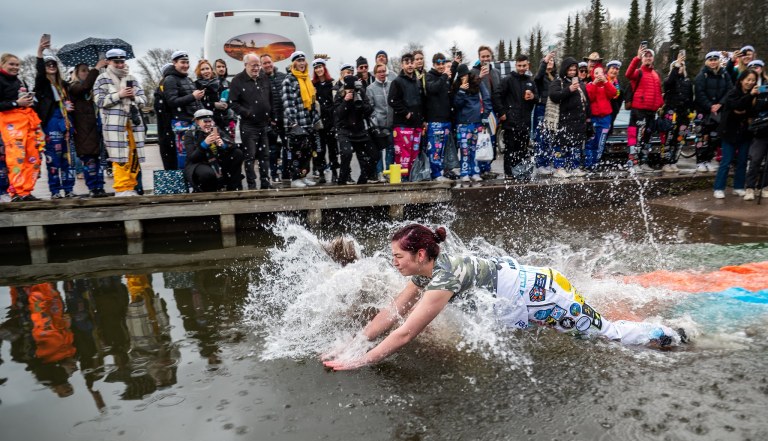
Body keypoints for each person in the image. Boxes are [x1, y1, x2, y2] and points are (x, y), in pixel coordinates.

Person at [321, 224, 686, 370]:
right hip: (533, 291)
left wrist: (361, 362)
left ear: (419, 255)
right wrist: (353, 343)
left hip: (548, 298)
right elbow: (391, 313)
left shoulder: (443, 278)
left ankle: (672, 336)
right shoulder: (427, 271)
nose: (392, 262)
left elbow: (405, 332)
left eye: (397, 256)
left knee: (605, 334)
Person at [93, 48, 147, 197]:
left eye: (122, 61)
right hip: (114, 126)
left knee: (133, 156)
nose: (120, 65)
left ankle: (132, 186)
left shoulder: (132, 78)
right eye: (116, 62)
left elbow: (144, 100)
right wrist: (119, 95)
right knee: (119, 157)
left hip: (132, 124)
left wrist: (134, 97)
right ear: (109, 62)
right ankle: (122, 188)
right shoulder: (102, 79)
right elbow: (99, 100)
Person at [34, 37, 75, 199]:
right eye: (48, 65)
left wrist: (69, 107)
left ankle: (69, 189)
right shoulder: (42, 84)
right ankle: (55, 191)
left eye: (53, 64)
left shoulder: (63, 85)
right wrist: (40, 52)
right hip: (50, 124)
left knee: (68, 159)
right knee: (53, 161)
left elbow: (77, 86)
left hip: (65, 124)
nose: (51, 67)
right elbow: (38, 72)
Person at [0, 52, 43, 202]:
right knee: (17, 157)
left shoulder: (20, 81)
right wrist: (16, 103)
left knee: (32, 158)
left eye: (17, 65)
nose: (15, 67)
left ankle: (26, 190)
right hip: (11, 124)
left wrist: (31, 101)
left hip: (27, 122)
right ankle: (16, 192)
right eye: (11, 64)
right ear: (2, 64)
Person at [229, 53, 273, 190]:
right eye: (253, 65)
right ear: (245, 65)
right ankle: (252, 185)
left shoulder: (263, 77)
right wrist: (247, 113)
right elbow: (233, 103)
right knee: (250, 157)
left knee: (265, 155)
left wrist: (271, 115)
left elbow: (270, 97)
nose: (257, 68)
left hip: (264, 124)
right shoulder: (237, 80)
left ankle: (265, 182)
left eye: (258, 65)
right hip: (248, 126)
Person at [713, 70, 758, 199]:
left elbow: (750, 111)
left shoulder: (754, 94)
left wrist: (744, 109)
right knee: (726, 161)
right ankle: (718, 187)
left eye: (753, 80)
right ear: (741, 80)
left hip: (745, 132)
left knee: (742, 161)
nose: (750, 83)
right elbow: (736, 105)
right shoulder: (733, 92)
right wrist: (748, 99)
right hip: (729, 132)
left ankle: (738, 186)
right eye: (748, 79)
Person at [494, 54, 538, 180]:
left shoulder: (530, 81)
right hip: (511, 121)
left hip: (525, 122)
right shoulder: (508, 79)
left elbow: (537, 98)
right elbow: (496, 95)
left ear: (528, 65)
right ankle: (509, 174)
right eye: (519, 65)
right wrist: (501, 112)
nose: (522, 68)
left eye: (524, 65)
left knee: (523, 150)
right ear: (516, 65)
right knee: (510, 149)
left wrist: (533, 97)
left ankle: (521, 172)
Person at [69, 59, 109, 198]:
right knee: (89, 161)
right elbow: (84, 88)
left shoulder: (93, 90)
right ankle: (92, 187)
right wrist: (96, 68)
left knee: (99, 161)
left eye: (88, 70)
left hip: (96, 130)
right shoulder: (74, 87)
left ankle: (100, 186)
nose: (86, 73)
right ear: (77, 73)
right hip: (83, 132)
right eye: (83, 70)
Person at [282, 50, 320, 188]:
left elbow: (312, 102)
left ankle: (303, 176)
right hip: (296, 124)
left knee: (307, 152)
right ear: (294, 63)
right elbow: (288, 104)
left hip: (308, 122)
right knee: (296, 153)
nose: (301, 63)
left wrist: (315, 119)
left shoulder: (307, 79)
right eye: (298, 61)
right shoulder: (289, 80)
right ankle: (294, 178)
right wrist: (294, 123)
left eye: (303, 60)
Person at [183, 108, 244, 192]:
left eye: (210, 121)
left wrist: (224, 145)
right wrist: (204, 144)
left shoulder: (216, 130)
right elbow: (192, 158)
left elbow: (233, 145)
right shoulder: (190, 134)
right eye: (205, 121)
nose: (208, 124)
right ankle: (209, 192)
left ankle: (233, 188)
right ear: (197, 122)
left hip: (216, 160)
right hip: (198, 163)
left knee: (237, 153)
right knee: (207, 174)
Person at [548, 57, 589, 178]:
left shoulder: (580, 83)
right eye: (569, 70)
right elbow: (554, 96)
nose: (572, 72)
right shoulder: (558, 81)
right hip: (563, 120)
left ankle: (574, 166)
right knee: (560, 145)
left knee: (575, 145)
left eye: (574, 70)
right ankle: (558, 167)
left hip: (578, 120)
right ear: (565, 69)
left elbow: (586, 101)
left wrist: (588, 117)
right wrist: (569, 89)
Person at [625, 46, 664, 173]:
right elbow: (628, 74)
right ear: (642, 58)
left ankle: (644, 161)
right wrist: (636, 58)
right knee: (635, 137)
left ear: (653, 58)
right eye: (645, 56)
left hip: (651, 112)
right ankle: (633, 163)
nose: (648, 58)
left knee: (647, 138)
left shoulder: (656, 74)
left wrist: (660, 104)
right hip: (638, 111)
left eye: (650, 56)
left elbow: (658, 92)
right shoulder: (638, 72)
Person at [334, 75, 379, 184]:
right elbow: (338, 114)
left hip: (360, 130)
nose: (351, 92)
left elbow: (369, 110)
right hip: (344, 130)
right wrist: (346, 101)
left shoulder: (361, 92)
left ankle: (363, 180)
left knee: (374, 155)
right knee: (347, 153)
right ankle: (342, 180)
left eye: (353, 90)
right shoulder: (340, 95)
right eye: (349, 90)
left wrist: (361, 102)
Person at [163, 51, 204, 169]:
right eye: (182, 62)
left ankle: (195, 181)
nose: (186, 65)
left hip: (193, 122)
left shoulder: (188, 79)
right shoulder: (170, 79)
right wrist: (193, 96)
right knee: (184, 156)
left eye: (187, 62)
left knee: (196, 154)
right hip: (181, 124)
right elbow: (172, 102)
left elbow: (195, 102)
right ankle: (186, 183)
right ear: (174, 63)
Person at [388, 53, 425, 180]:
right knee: (403, 155)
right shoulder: (397, 82)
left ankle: (412, 178)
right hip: (402, 125)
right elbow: (392, 100)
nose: (410, 65)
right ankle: (402, 180)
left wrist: (422, 119)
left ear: (415, 64)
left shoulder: (417, 81)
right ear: (402, 65)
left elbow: (421, 102)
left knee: (414, 154)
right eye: (406, 62)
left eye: (411, 62)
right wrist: (406, 113)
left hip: (416, 124)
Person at [694, 51, 732, 174]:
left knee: (714, 137)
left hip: (718, 111)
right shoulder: (701, 75)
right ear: (707, 61)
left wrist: (720, 104)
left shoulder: (724, 74)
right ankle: (700, 161)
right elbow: (700, 93)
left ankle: (708, 159)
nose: (713, 62)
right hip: (704, 111)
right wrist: (710, 106)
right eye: (711, 60)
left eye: (715, 59)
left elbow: (729, 90)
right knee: (702, 136)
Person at [452, 64, 491, 185]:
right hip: (463, 123)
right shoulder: (457, 87)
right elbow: (456, 105)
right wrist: (462, 90)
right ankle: (464, 173)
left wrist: (485, 115)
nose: (464, 77)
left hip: (477, 122)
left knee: (475, 148)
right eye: (461, 76)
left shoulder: (477, 82)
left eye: (466, 75)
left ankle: (475, 172)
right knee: (464, 149)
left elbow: (486, 98)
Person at [660, 51, 695, 175]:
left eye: (682, 65)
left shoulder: (688, 82)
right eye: (678, 66)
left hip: (684, 115)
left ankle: (674, 161)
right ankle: (666, 162)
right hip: (671, 113)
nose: (680, 67)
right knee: (669, 139)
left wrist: (691, 112)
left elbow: (691, 98)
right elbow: (668, 83)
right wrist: (676, 65)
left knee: (680, 139)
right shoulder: (669, 80)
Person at [471, 46, 502, 178]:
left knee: (491, 140)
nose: (485, 59)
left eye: (487, 56)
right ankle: (478, 169)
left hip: (492, 112)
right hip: (479, 112)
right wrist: (479, 77)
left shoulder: (495, 72)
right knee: (479, 141)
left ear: (491, 56)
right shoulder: (473, 72)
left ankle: (487, 168)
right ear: (479, 58)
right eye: (482, 56)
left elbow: (498, 92)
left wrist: (500, 110)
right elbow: (470, 90)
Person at [424, 52, 454, 182]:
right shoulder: (429, 76)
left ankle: (440, 173)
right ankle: (435, 174)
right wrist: (444, 76)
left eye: (443, 63)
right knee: (435, 149)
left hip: (445, 120)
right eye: (438, 64)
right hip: (434, 121)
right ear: (433, 64)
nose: (441, 66)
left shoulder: (445, 78)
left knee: (442, 150)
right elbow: (433, 89)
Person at [261, 54, 288, 181]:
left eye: (269, 62)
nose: (267, 65)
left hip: (285, 119)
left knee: (287, 146)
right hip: (270, 121)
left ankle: (286, 172)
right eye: (264, 63)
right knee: (272, 149)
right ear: (261, 65)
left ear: (273, 62)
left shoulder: (283, 76)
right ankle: (274, 174)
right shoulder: (260, 79)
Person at [583, 66, 617, 171]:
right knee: (591, 142)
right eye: (596, 73)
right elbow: (590, 97)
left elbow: (613, 93)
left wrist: (606, 82)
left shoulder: (607, 85)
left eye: (601, 73)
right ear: (593, 75)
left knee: (600, 143)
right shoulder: (589, 85)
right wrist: (595, 84)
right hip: (593, 119)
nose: (599, 75)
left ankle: (595, 163)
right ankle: (588, 164)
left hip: (605, 119)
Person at [311, 58, 339, 184]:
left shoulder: (331, 83)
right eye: (316, 68)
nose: (319, 70)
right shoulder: (313, 85)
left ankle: (334, 172)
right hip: (319, 123)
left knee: (333, 149)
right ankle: (321, 172)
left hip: (330, 121)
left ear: (324, 68)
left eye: (320, 67)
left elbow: (335, 102)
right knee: (320, 150)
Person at [368, 62, 394, 182]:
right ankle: (379, 172)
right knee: (379, 150)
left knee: (390, 149)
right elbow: (370, 108)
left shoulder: (391, 85)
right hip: (378, 124)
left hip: (391, 123)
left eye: (384, 71)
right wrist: (375, 122)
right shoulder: (370, 88)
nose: (382, 74)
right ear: (375, 73)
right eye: (380, 72)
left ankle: (388, 171)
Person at [744, 76, 768, 201]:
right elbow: (753, 110)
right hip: (761, 130)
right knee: (755, 159)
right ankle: (750, 187)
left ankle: (764, 186)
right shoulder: (761, 91)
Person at [533, 51, 557, 174]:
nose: (550, 62)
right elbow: (537, 78)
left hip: (552, 110)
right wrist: (545, 61)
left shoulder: (555, 77)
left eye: (552, 60)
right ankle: (539, 164)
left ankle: (548, 162)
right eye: (548, 60)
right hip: (542, 108)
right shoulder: (541, 76)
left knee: (549, 138)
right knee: (541, 137)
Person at [194, 60, 229, 134]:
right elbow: (198, 103)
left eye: (207, 68)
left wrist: (226, 105)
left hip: (222, 119)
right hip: (205, 121)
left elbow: (226, 98)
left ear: (211, 70)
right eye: (202, 69)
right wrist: (214, 104)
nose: (206, 71)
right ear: (199, 72)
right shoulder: (196, 85)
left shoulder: (218, 83)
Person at [153, 63, 177, 170]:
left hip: (167, 130)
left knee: (170, 159)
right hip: (170, 128)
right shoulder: (165, 88)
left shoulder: (161, 88)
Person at [604, 60, 623, 131]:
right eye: (613, 68)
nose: (614, 71)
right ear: (608, 69)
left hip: (612, 114)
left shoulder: (618, 83)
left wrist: (616, 109)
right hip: (602, 114)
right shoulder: (603, 80)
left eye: (617, 69)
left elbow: (620, 98)